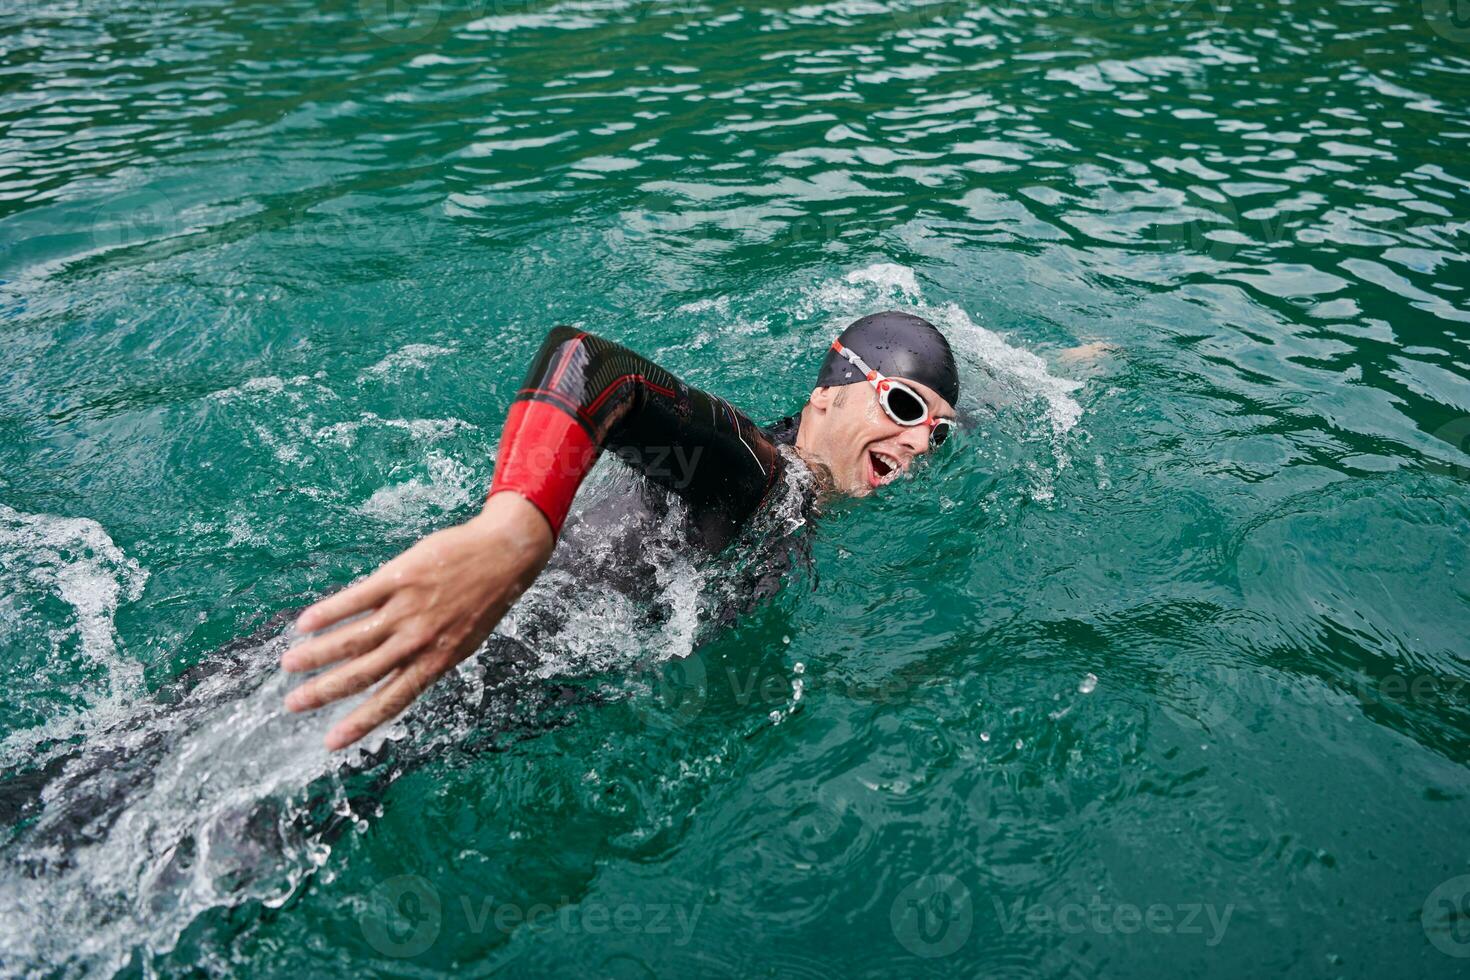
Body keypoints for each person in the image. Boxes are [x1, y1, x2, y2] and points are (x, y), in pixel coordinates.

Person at [281, 310, 962, 749]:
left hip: (440, 654)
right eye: (902, 406)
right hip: (445, 657)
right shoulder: (755, 474)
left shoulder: (791, 498)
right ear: (826, 393)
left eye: (936, 435)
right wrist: (514, 530)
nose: (916, 443)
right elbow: (592, 364)